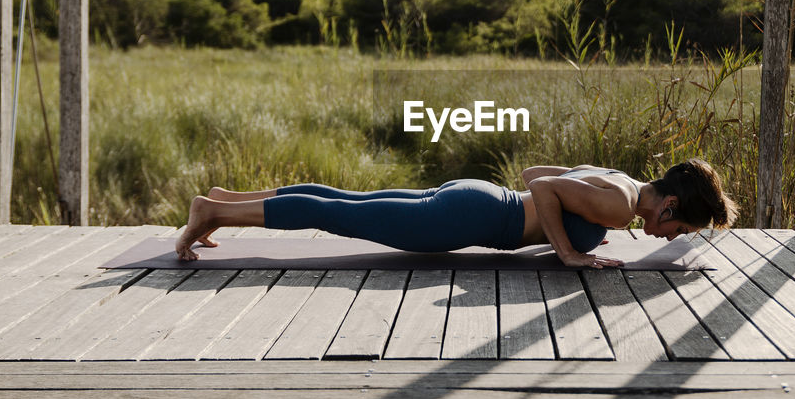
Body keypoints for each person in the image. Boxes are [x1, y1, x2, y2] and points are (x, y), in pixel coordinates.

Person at [174, 158, 738, 269]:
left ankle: (223, 202)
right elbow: (545, 193)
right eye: (679, 227)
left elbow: (536, 177)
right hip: (466, 220)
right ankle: (216, 214)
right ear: (668, 205)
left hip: (474, 197)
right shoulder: (618, 205)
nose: (666, 236)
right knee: (342, 215)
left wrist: (571, 227)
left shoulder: (618, 180)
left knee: (349, 201)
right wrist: (568, 251)